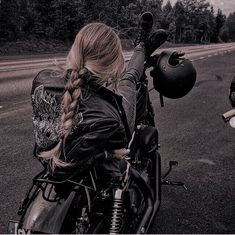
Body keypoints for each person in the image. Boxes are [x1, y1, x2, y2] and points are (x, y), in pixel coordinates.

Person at [31, 22, 151, 181]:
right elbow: (117, 145)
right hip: (95, 170)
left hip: (50, 165)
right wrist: (108, 154)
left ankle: (141, 46)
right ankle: (141, 47)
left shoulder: (42, 79)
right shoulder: (110, 117)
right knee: (128, 79)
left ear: (74, 51)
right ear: (113, 64)